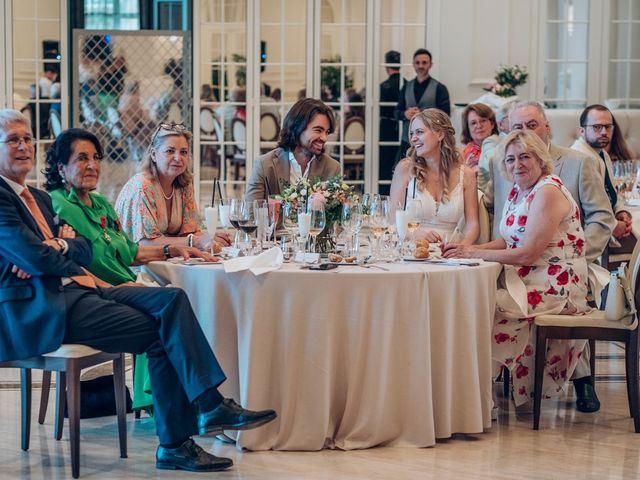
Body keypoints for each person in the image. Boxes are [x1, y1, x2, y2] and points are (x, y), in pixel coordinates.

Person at [0, 109, 276, 472]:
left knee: (172, 300)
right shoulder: (9, 198)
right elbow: (38, 257)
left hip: (80, 291)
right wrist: (54, 248)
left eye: (27, 138)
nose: (23, 146)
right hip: (43, 310)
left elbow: (81, 248)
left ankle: (205, 411)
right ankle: (186, 433)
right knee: (163, 333)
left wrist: (57, 248)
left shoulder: (40, 198)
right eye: (12, 140)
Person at [45, 127, 220, 413]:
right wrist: (114, 288)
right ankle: (199, 405)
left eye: (96, 157)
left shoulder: (100, 203)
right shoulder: (58, 205)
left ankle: (194, 406)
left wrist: (175, 249)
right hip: (97, 294)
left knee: (176, 302)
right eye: (81, 158)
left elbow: (131, 250)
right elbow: (67, 266)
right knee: (171, 301)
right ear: (61, 167)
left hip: (125, 284)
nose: (92, 165)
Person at [443, 130, 592, 409]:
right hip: (530, 279)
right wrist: (466, 250)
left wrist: (473, 252)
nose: (517, 165)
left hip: (556, 287)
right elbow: (509, 239)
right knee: (476, 305)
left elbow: (527, 253)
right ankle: (471, 394)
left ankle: (474, 400)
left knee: (484, 310)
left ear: (540, 159)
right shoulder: (519, 190)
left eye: (525, 157)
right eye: (510, 160)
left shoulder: (547, 190)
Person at [484, 102, 616, 412]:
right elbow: (491, 207)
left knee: (498, 306)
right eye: (518, 127)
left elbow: (601, 218)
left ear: (547, 127)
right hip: (521, 264)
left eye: (532, 125)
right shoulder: (508, 167)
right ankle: (487, 390)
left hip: (562, 268)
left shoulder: (577, 163)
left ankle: (582, 382)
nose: (525, 133)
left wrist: (579, 256)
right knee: (482, 298)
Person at [116, 123, 230, 249]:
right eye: (170, 151)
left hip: (168, 258)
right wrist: (196, 241)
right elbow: (146, 243)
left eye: (183, 152)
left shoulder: (184, 185)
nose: (178, 158)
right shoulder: (142, 187)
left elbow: (190, 231)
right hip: (132, 263)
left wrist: (209, 236)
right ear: (153, 155)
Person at [389, 108, 479, 244]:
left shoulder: (467, 175)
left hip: (451, 254)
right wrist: (417, 234)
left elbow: (473, 226)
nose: (413, 139)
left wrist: (461, 249)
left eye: (419, 132)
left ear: (440, 134)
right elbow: (392, 220)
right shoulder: (405, 169)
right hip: (413, 251)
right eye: (412, 133)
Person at [245, 98, 341, 201]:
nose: (324, 138)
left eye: (327, 132)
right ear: (297, 127)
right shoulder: (264, 165)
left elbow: (336, 214)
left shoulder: (332, 168)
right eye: (318, 130)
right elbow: (252, 212)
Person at [570, 104, 632, 240]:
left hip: (606, 225)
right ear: (582, 131)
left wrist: (620, 210)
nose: (604, 132)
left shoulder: (602, 153)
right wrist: (615, 226)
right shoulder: (580, 158)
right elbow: (591, 209)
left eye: (608, 127)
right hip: (588, 236)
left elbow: (612, 191)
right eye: (597, 127)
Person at [394, 48, 451, 163]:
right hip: (407, 141)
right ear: (413, 65)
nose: (421, 66)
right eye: (417, 63)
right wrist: (405, 114)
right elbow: (396, 112)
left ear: (430, 64)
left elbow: (446, 114)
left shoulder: (440, 88)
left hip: (431, 144)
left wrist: (424, 114)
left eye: (424, 63)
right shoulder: (406, 87)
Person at [379, 50, 403, 193]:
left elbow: (380, 111)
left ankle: (383, 192)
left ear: (387, 66)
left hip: (387, 128)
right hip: (402, 127)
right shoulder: (405, 84)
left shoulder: (384, 86)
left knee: (385, 162)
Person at [460, 103, 500, 171]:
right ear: (468, 128)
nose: (479, 126)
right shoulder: (461, 156)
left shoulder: (504, 147)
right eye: (473, 123)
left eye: (483, 121)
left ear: (492, 124)